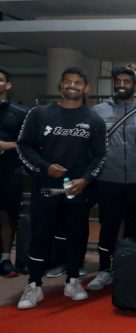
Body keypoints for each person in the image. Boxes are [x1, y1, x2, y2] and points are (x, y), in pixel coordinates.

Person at [16, 66, 107, 309]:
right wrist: (44, 168)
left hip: (78, 189)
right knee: (40, 235)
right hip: (45, 187)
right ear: (61, 85)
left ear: (85, 88)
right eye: (68, 82)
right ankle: (34, 285)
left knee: (77, 235)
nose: (73, 86)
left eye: (78, 82)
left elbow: (100, 156)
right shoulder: (39, 114)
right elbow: (23, 147)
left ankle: (73, 280)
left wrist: (85, 180)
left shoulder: (94, 119)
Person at [87, 67, 136, 291]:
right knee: (108, 226)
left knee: (135, 228)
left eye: (126, 81)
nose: (122, 84)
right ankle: (104, 270)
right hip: (107, 179)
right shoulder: (98, 110)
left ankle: (129, 269)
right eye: (118, 81)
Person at [0, 67, 28, 277]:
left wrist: (5, 145)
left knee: (6, 216)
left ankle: (4, 258)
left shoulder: (20, 113)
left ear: (8, 85)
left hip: (9, 172)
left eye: (0, 80)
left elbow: (28, 143)